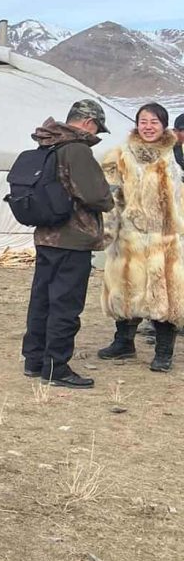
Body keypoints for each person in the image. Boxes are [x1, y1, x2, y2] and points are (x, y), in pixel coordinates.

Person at [21, 100, 113, 388]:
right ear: (87, 122)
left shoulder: (49, 144)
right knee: (65, 304)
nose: (96, 132)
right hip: (73, 238)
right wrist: (110, 197)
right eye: (97, 126)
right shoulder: (77, 150)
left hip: (46, 236)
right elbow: (96, 195)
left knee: (42, 300)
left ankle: (34, 360)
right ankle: (56, 367)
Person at [97, 103, 183, 372]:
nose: (148, 126)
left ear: (165, 125)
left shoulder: (176, 155)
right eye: (143, 121)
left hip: (166, 238)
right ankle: (123, 343)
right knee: (125, 289)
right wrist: (108, 231)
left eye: (154, 121)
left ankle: (164, 352)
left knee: (165, 296)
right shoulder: (120, 155)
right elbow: (110, 196)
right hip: (129, 236)